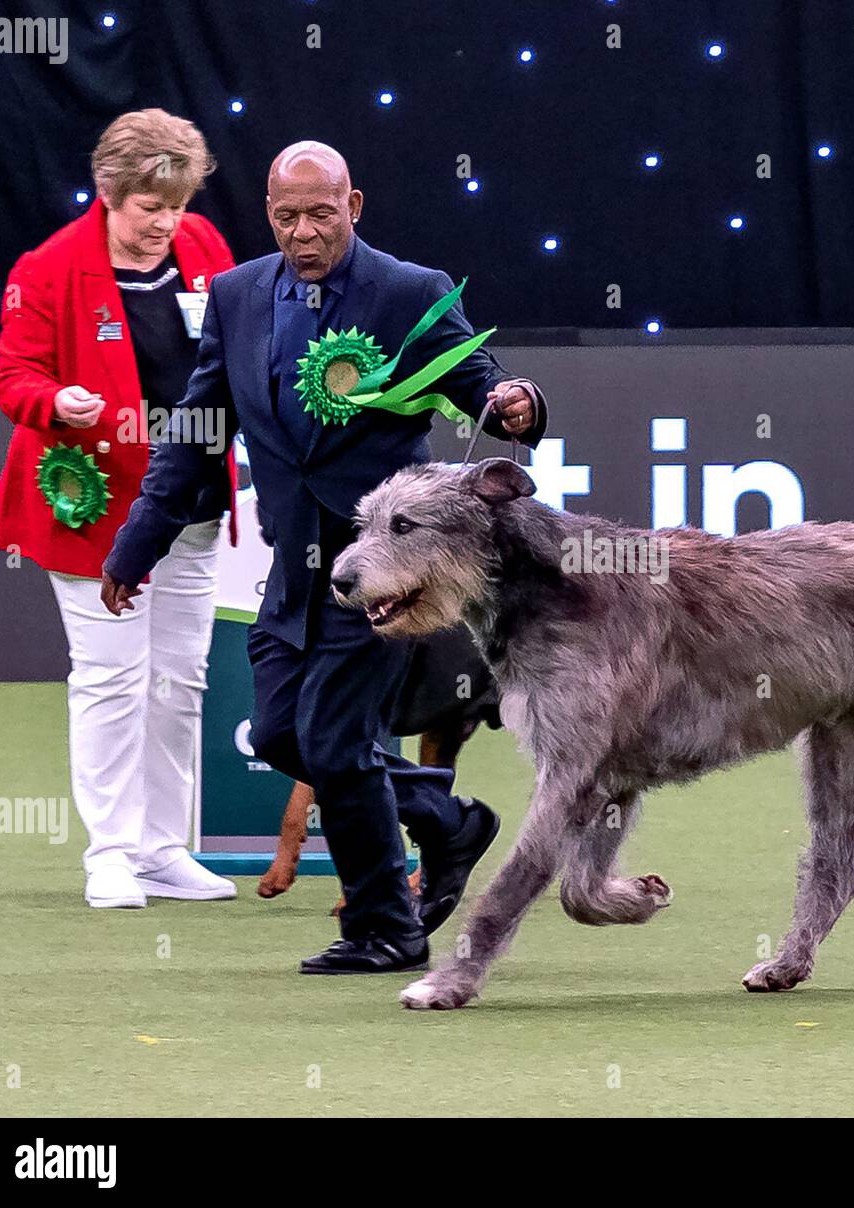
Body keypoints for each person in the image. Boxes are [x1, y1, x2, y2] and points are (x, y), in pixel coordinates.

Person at [102, 141, 548, 974]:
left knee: (337, 742)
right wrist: (138, 545)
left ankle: (385, 928)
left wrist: (515, 405)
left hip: (382, 572)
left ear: (355, 204)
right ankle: (449, 823)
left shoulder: (407, 292)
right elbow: (195, 438)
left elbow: (477, 379)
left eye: (320, 212)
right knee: (278, 735)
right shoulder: (236, 296)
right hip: (291, 572)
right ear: (267, 214)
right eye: (285, 216)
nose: (303, 230)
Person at [0, 109, 240, 909]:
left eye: (176, 203)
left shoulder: (203, 247)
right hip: (94, 508)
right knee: (112, 680)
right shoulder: (49, 266)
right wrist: (55, 400)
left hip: (190, 503)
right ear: (109, 193)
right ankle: (111, 853)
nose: (166, 223)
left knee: (178, 680)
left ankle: (165, 850)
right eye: (148, 208)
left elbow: (234, 352)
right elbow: (11, 377)